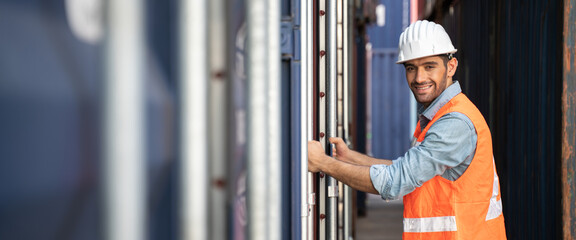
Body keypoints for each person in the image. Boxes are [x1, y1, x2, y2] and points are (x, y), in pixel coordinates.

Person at [308, 20, 507, 239]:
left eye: (429, 66)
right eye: (411, 68)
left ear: (450, 67)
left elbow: (395, 181)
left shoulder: (455, 123)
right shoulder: (438, 116)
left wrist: (322, 163)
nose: (419, 78)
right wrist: (349, 158)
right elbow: (408, 169)